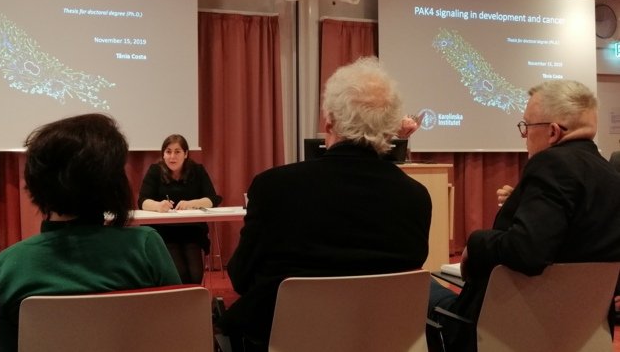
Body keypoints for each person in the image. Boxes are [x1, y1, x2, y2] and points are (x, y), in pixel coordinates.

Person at [218, 57, 432, 350]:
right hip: (379, 341)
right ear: (391, 128)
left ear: (328, 121)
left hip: (283, 342)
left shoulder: (274, 187)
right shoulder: (416, 198)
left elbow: (241, 278)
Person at [428, 80, 620, 352]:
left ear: (553, 132)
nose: (524, 135)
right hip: (580, 333)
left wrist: (476, 242)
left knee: (422, 289)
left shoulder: (551, 164)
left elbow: (526, 251)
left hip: (503, 329)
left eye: (527, 127)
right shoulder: (610, 174)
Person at [0, 114, 181, 352]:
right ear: (115, 185)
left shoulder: (10, 266)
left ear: (36, 184)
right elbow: (175, 332)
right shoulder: (146, 247)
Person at [138, 134, 223, 284]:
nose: (172, 156)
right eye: (168, 151)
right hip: (164, 232)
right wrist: (158, 206)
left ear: (186, 154)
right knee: (180, 273)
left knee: (196, 274)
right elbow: (143, 201)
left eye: (177, 152)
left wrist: (192, 203)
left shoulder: (197, 170)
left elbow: (212, 199)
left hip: (192, 231)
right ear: (163, 154)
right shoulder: (155, 171)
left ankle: (195, 303)